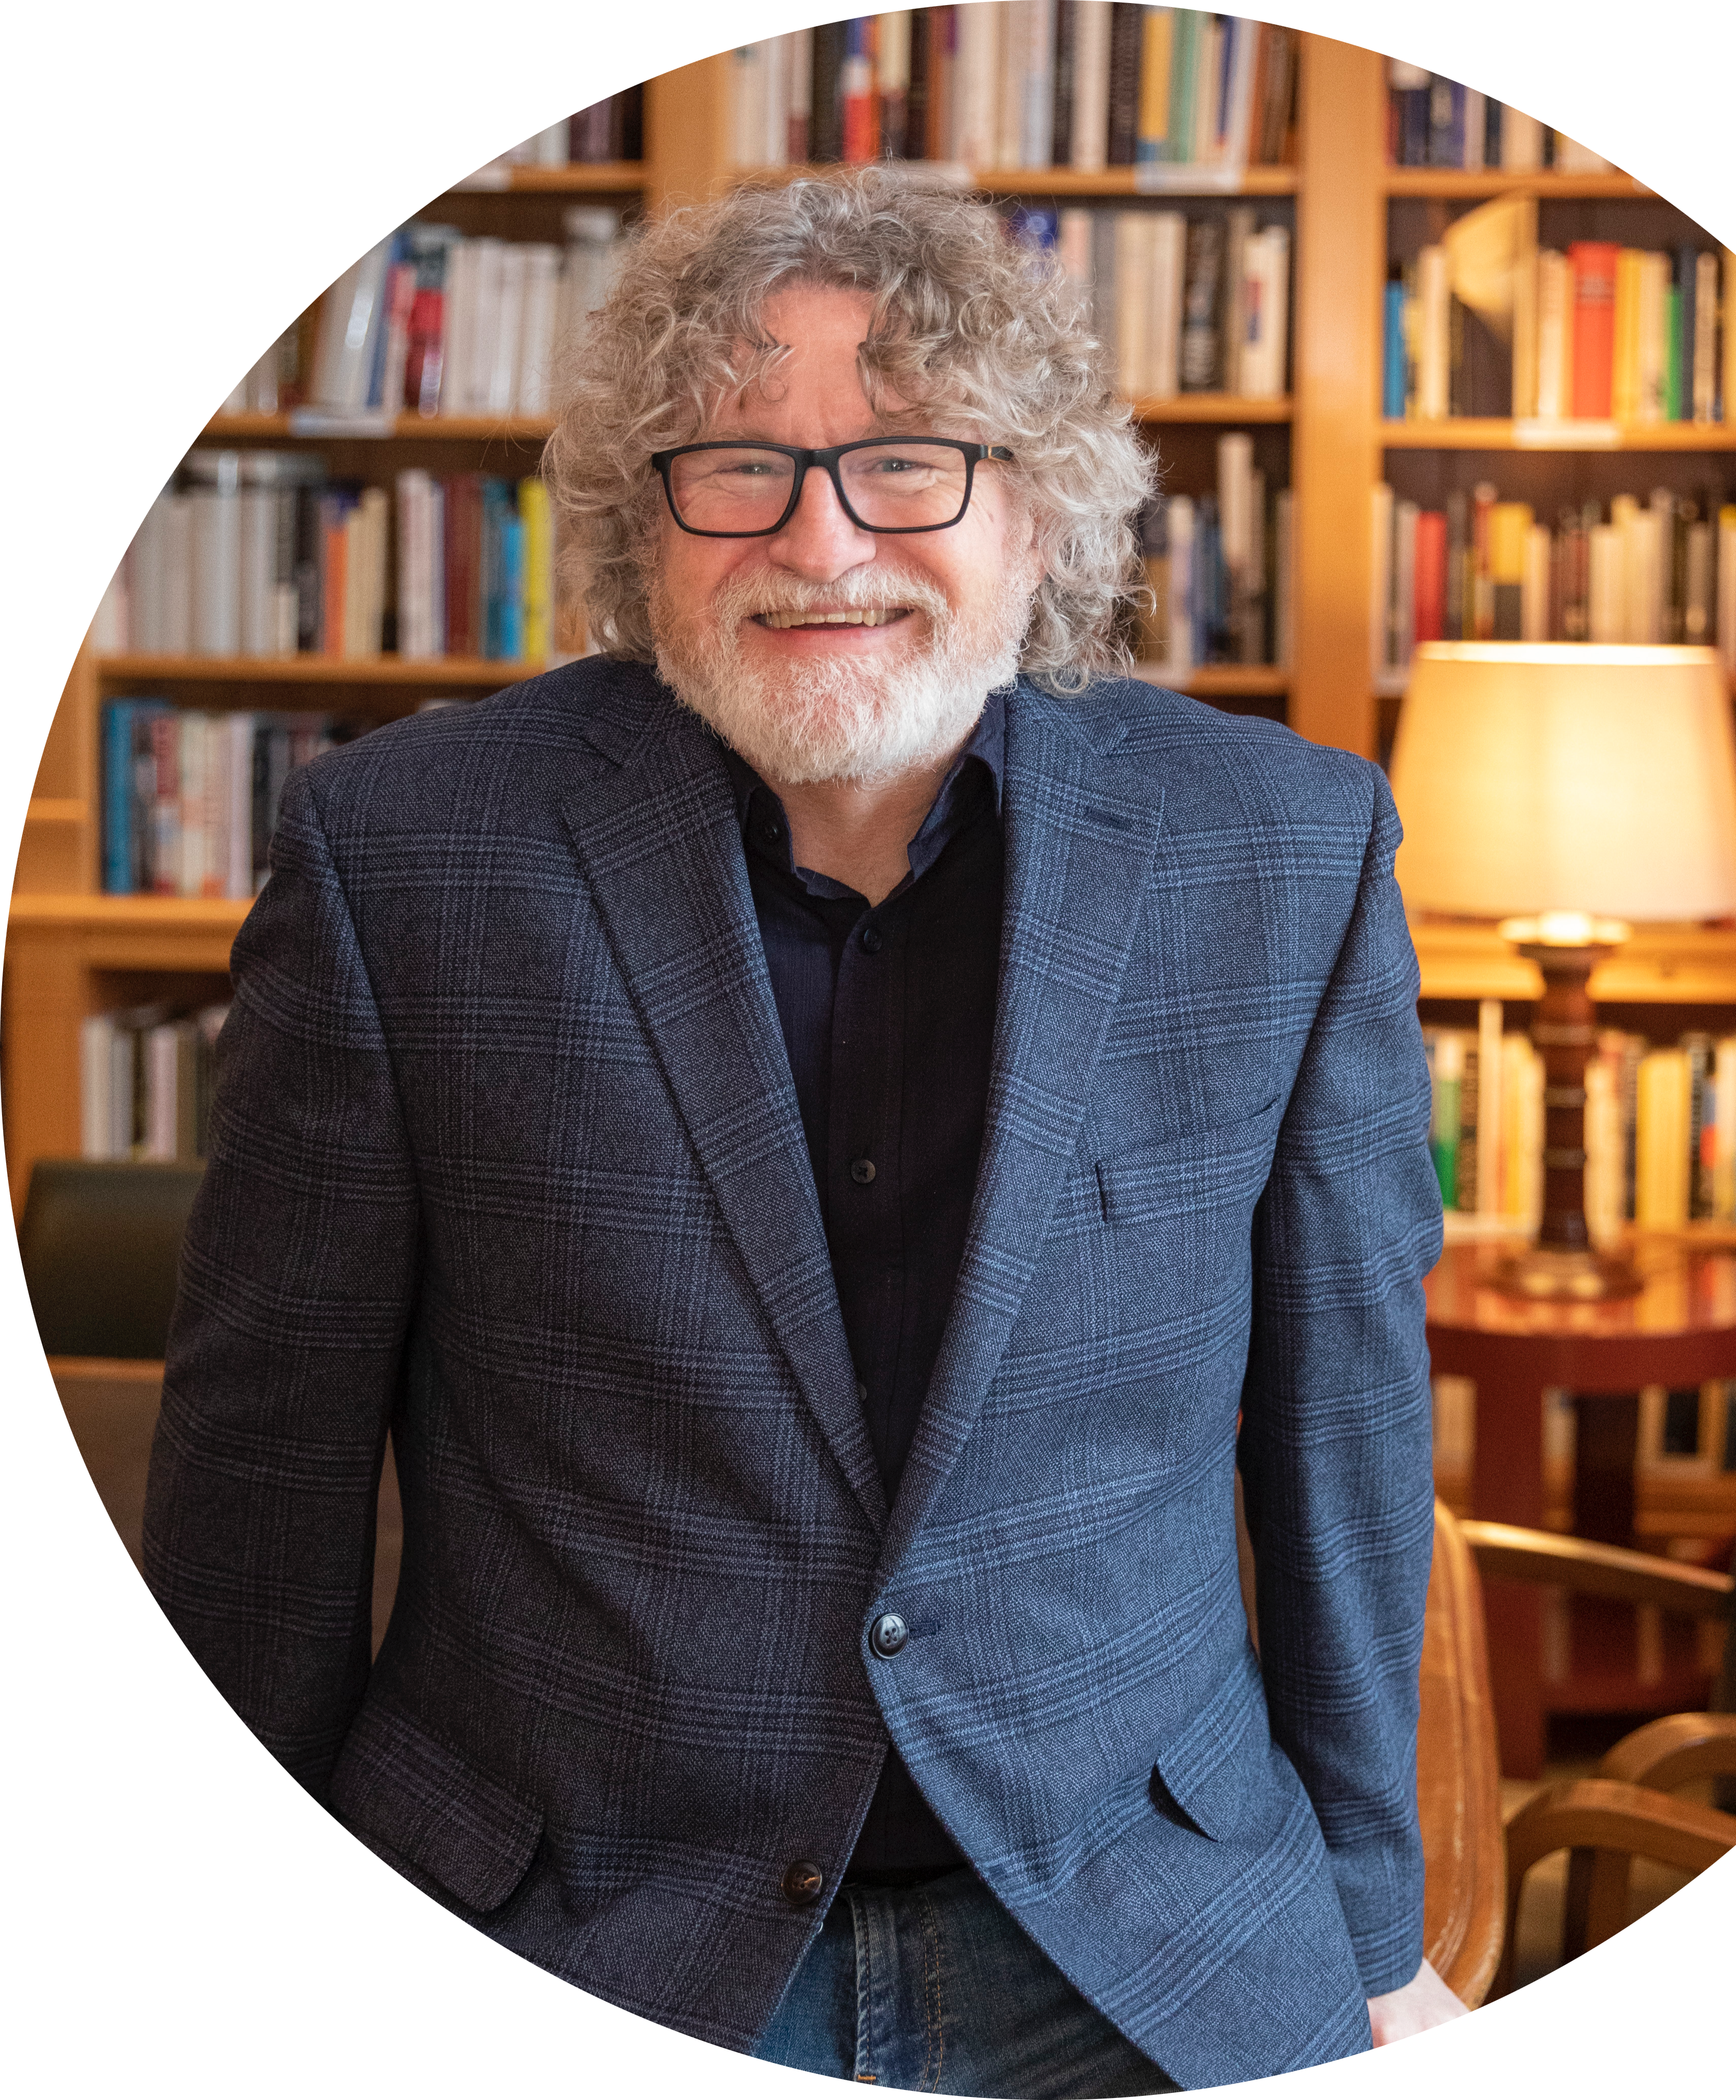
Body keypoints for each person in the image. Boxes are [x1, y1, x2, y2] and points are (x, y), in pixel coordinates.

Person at [144, 166, 1459, 2089]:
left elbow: (1346, 1422)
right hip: (571, 1904)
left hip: (1131, 1927)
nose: (820, 536)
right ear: (641, 523)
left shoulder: (1283, 852)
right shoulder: (407, 857)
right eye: (733, 465)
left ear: (1036, 515)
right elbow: (264, 1461)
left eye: (909, 461)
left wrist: (1375, 1927)